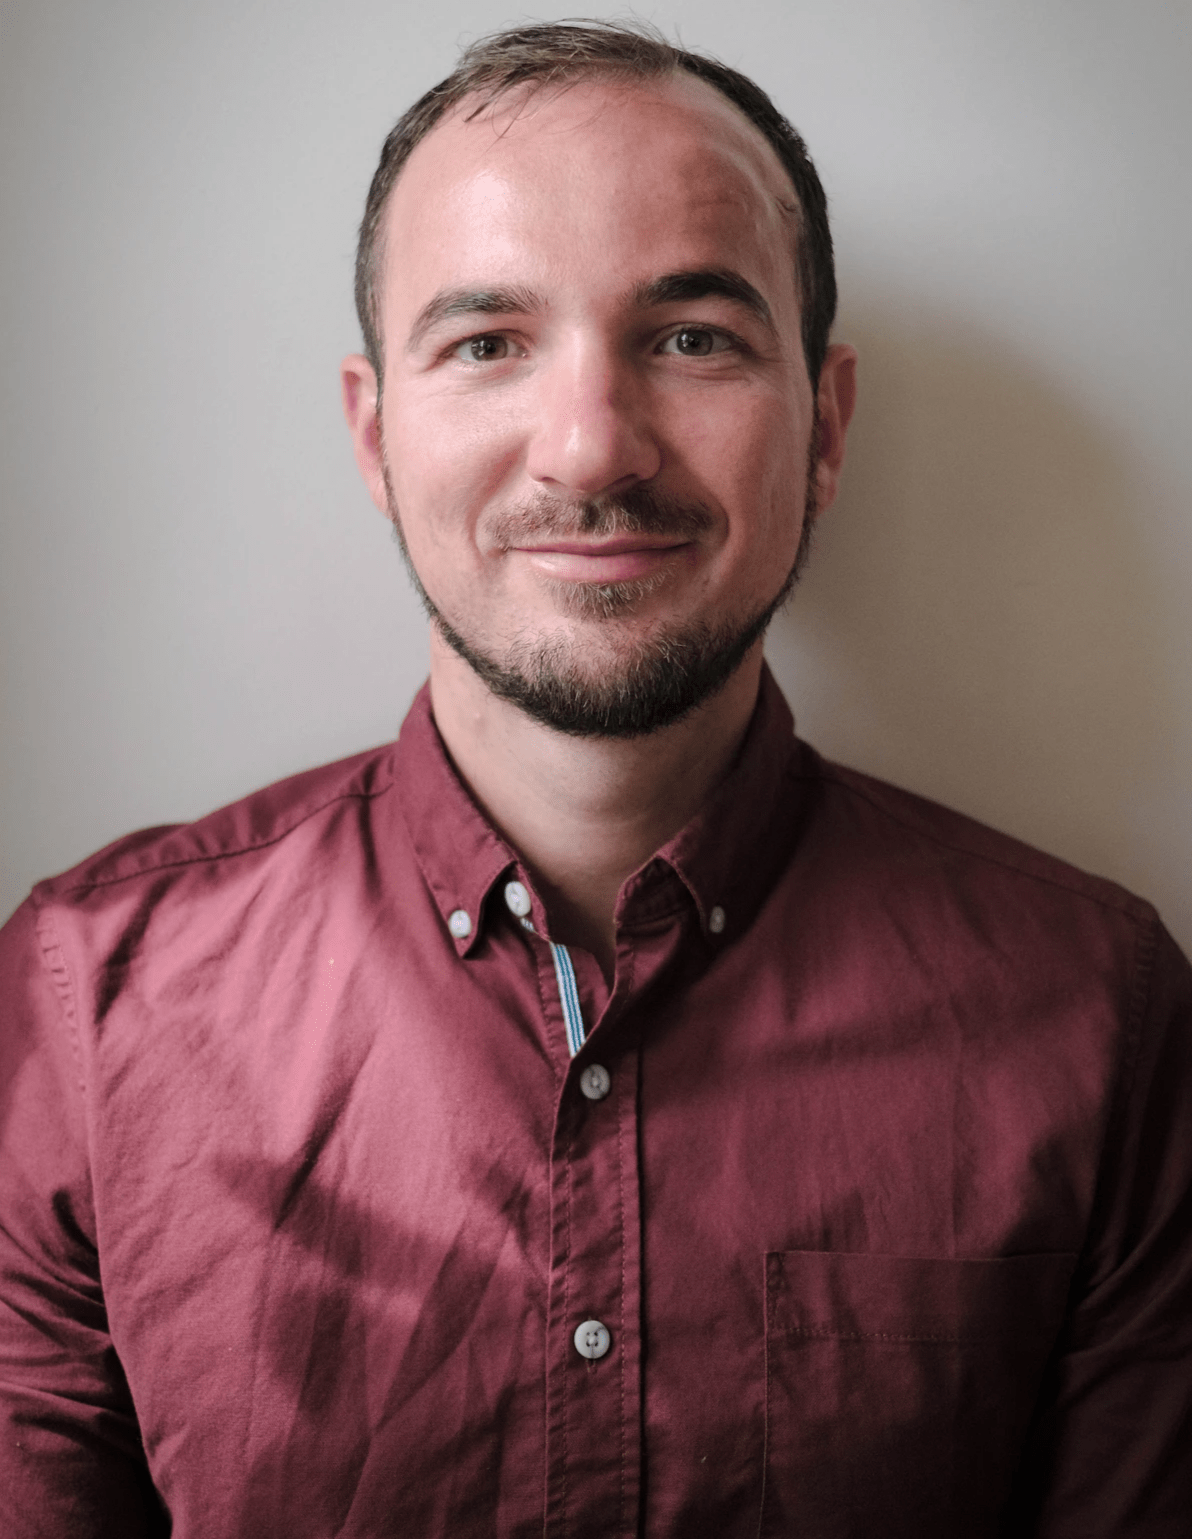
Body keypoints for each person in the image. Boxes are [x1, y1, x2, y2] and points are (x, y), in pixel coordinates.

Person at [1, 18, 1189, 1537]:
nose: (590, 449)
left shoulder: (1098, 1018)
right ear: (375, 435)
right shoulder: (83, 1004)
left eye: (690, 338)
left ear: (825, 429)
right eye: (488, 343)